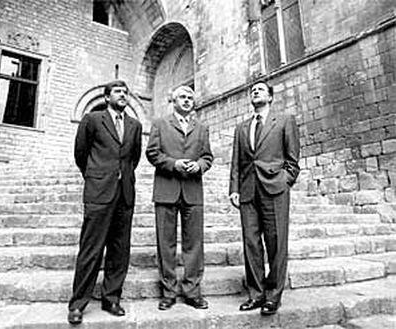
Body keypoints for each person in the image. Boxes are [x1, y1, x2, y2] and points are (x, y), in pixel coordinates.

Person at [68, 80, 142, 325]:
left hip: (124, 194)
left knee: (120, 251)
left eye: (126, 93)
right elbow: (81, 154)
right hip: (99, 192)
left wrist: (124, 179)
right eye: (118, 92)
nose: (123, 95)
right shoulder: (92, 119)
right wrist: (97, 176)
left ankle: (111, 298)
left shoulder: (135, 125)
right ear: (107, 96)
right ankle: (78, 303)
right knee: (91, 248)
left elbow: (134, 157)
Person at [229, 80, 300, 315]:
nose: (255, 92)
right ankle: (256, 294)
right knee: (251, 243)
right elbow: (237, 162)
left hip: (274, 188)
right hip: (248, 191)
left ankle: (273, 296)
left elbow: (292, 160)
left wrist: (285, 180)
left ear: (270, 97)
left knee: (276, 242)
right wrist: (234, 189)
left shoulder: (285, 121)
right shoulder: (242, 127)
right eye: (252, 90)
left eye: (260, 89)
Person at [146, 85, 213, 311]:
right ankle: (168, 291)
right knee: (166, 244)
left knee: (194, 243)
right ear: (173, 101)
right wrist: (173, 164)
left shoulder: (202, 128)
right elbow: (152, 153)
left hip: (193, 191)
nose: (186, 101)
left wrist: (200, 165)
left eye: (190, 98)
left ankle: (193, 291)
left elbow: (208, 157)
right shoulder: (160, 124)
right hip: (167, 188)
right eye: (182, 97)